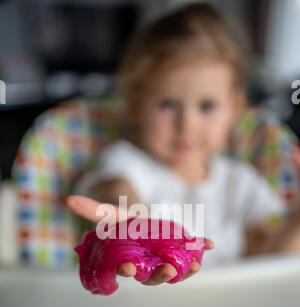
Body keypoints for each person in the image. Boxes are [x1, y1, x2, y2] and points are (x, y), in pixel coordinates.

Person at [66, 2, 300, 286]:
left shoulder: (241, 183)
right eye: (167, 104)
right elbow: (113, 190)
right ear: (137, 104)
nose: (186, 124)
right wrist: (135, 228)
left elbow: (274, 262)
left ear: (235, 107)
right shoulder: (126, 161)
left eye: (206, 106)